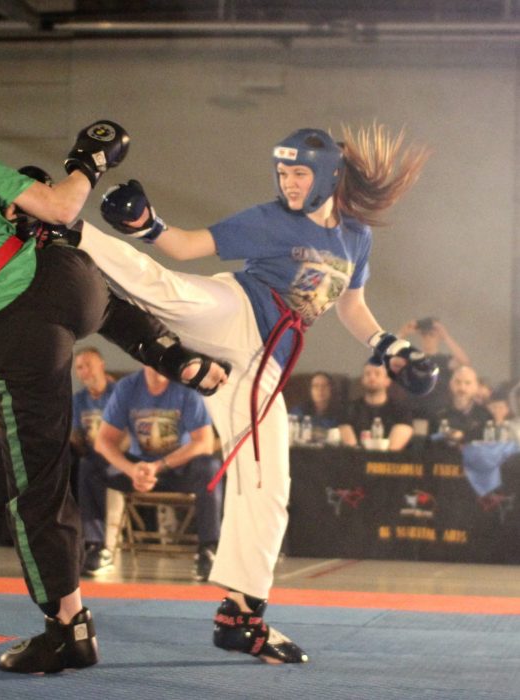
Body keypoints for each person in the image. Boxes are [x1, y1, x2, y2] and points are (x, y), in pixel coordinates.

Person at [0, 88, 229, 675]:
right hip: (69, 281)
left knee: (37, 481)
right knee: (84, 278)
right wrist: (89, 161)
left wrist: (5, 222)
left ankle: (68, 629)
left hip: (12, 333)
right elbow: (62, 208)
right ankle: (174, 356)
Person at [59, 124, 438, 664]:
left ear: (328, 175)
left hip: (260, 367)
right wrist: (147, 224)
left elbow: (352, 305)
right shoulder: (271, 219)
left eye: (299, 173)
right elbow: (187, 245)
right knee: (166, 287)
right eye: (282, 172)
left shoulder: (356, 236)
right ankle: (65, 227)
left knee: (268, 485)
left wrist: (390, 347)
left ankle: (241, 616)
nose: (288, 183)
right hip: (233, 313)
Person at [86, 365, 223, 581]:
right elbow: (103, 441)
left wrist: (158, 466)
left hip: (175, 468)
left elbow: (204, 442)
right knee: (90, 465)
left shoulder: (186, 389)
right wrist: (131, 469)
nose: (157, 364)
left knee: (210, 467)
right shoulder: (128, 387)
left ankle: (209, 549)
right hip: (137, 469)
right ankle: (96, 547)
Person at [71, 346, 121, 570]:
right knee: (81, 465)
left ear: (101, 365)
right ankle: (90, 541)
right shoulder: (79, 399)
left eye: (88, 365)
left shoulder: (118, 393)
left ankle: (99, 541)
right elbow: (76, 433)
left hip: (120, 455)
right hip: (91, 456)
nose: (84, 372)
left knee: (92, 469)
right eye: (79, 368)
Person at [396, 317, 471, 423]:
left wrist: (446, 337)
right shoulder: (413, 358)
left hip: (439, 411)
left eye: (431, 335)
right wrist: (402, 333)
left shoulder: (445, 360)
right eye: (424, 335)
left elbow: (465, 362)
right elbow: (388, 354)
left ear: (438, 337)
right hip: (414, 409)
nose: (428, 338)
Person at [338, 361, 414, 451]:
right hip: (356, 459)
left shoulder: (401, 410)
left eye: (377, 374)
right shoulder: (349, 409)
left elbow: (393, 449)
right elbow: (351, 448)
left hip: (390, 459)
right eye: (367, 374)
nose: (372, 377)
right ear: (362, 380)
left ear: (387, 381)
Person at [433, 365, 494, 444]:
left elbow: (489, 443)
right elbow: (428, 440)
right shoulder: (438, 412)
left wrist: (463, 436)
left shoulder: (485, 415)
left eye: (468, 383)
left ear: (476, 387)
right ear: (451, 384)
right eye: (457, 382)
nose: (462, 388)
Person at [290, 371, 343, 444]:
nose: (320, 389)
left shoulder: (341, 412)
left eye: (325, 386)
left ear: (332, 389)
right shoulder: (299, 411)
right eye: (315, 386)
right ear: (310, 391)